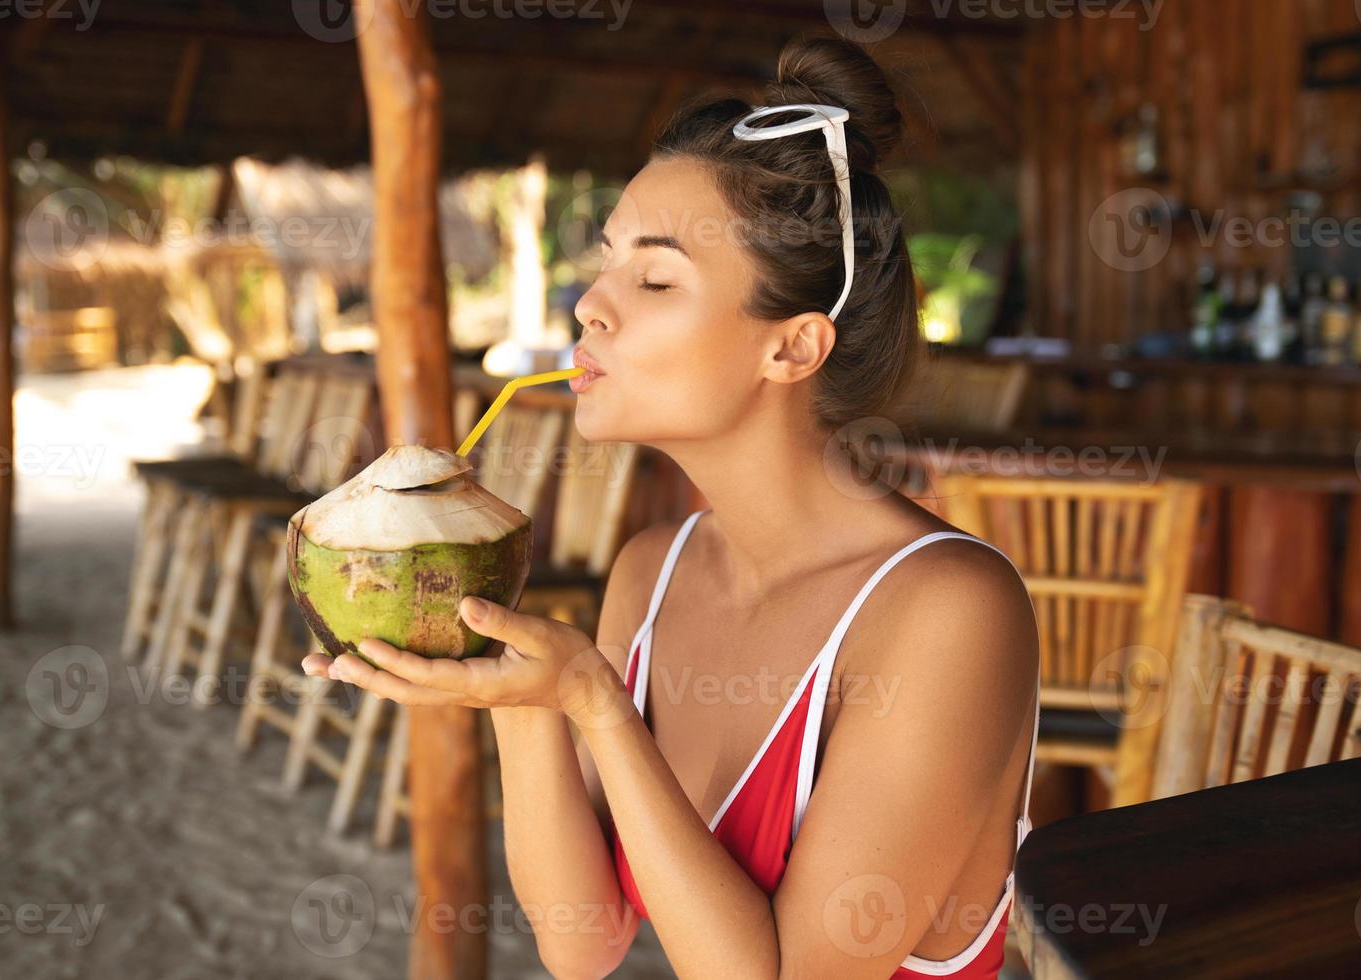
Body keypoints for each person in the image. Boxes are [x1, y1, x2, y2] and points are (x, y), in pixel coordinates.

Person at [307, 34, 1040, 980]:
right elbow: (582, 943)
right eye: (606, 262)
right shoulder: (653, 570)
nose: (590, 308)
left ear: (792, 349)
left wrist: (595, 704)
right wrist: (522, 702)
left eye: (654, 280)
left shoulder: (947, 612)